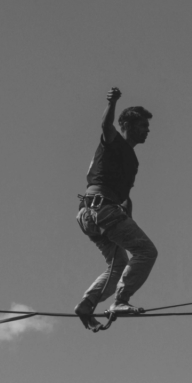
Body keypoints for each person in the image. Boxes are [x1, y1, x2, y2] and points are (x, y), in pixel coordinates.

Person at [74, 87, 158, 332]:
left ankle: (87, 304)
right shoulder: (113, 142)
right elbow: (105, 126)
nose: (147, 131)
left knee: (118, 263)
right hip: (102, 211)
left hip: (91, 215)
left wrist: (127, 220)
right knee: (146, 252)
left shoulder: (132, 160)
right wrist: (112, 102)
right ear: (128, 125)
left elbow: (125, 197)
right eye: (143, 126)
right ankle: (120, 301)